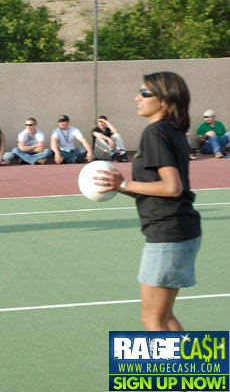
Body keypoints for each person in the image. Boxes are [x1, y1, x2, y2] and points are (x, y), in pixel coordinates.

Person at [95, 72, 201, 331]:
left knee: (152, 319)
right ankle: (192, 370)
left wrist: (123, 184)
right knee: (165, 317)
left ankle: (174, 372)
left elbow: (172, 187)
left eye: (144, 93)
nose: (137, 97)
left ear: (165, 100)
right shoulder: (172, 131)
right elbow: (159, 188)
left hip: (169, 234)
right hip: (179, 231)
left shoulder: (155, 132)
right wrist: (120, 187)